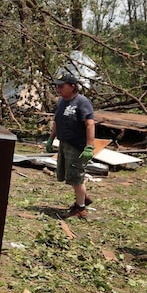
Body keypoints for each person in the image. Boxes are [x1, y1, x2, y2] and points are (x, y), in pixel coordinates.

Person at [46, 72, 95, 218]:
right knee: (70, 175)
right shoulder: (62, 101)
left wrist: (89, 146)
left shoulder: (82, 102)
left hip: (77, 146)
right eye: (57, 86)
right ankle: (84, 198)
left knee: (76, 177)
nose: (58, 89)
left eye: (61, 86)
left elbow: (90, 125)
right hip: (64, 143)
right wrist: (51, 138)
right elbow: (57, 121)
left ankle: (80, 209)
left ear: (72, 87)